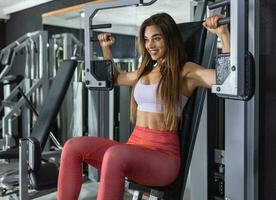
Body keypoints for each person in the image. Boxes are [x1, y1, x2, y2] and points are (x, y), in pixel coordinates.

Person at [57, 13, 230, 200]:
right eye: (147, 40)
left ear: (170, 39)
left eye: (156, 39)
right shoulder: (145, 71)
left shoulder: (185, 70)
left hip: (163, 158)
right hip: (134, 148)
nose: (150, 45)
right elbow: (115, 78)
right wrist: (106, 48)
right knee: (72, 147)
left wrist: (223, 34)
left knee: (115, 155)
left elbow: (226, 78)